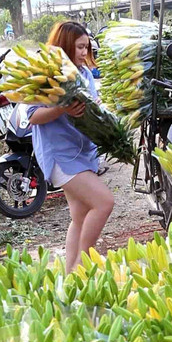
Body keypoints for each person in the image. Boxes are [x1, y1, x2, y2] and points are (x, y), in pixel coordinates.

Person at [26, 20, 114, 273]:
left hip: (83, 152)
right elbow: (32, 116)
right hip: (61, 155)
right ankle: (80, 266)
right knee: (104, 202)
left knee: (81, 217)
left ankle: (69, 276)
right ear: (64, 45)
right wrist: (61, 109)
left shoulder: (84, 73)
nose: (84, 53)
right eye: (79, 47)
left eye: (87, 47)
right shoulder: (48, 76)